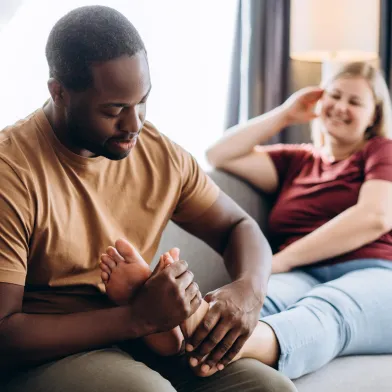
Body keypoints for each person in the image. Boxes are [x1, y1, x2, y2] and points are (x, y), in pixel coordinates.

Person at [0, 5, 297, 392]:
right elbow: (5, 334)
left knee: (272, 389)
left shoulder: (158, 152)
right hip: (50, 355)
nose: (134, 123)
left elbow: (237, 226)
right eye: (115, 110)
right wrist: (137, 318)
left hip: (148, 336)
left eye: (142, 101)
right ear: (59, 92)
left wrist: (249, 292)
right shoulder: (12, 171)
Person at [203, 61, 392, 379]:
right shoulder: (297, 161)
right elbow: (219, 154)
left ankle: (219, 344)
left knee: (328, 307)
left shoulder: (381, 151)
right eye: (334, 95)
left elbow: (375, 216)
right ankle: (192, 334)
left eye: (355, 101)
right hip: (301, 275)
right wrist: (286, 113)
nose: (340, 107)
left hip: (372, 271)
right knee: (252, 302)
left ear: (374, 115)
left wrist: (282, 260)